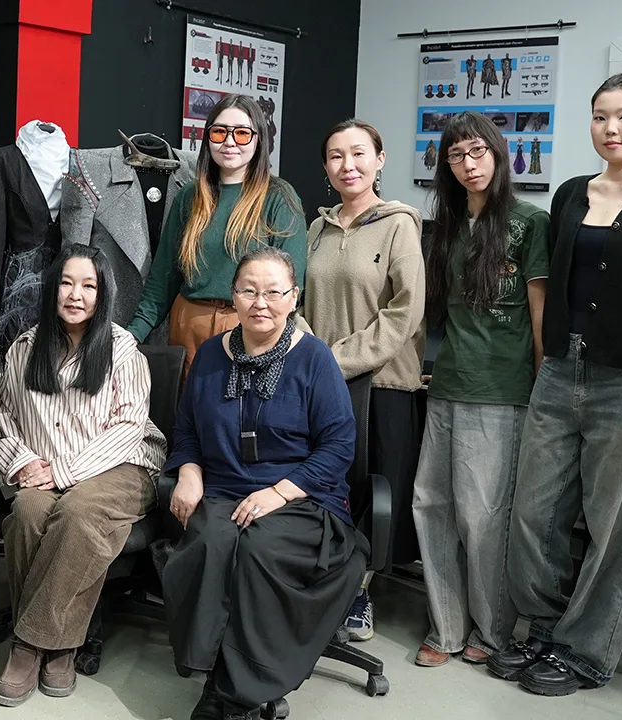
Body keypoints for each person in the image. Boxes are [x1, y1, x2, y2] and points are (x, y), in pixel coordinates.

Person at [490, 73, 622, 696]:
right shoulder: (570, 194)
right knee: (534, 514)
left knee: (613, 526)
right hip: (560, 372)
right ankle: (545, 630)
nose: (611, 128)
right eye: (600, 116)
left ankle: (585, 652)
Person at [164, 247, 364, 720]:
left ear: (293, 298)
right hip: (225, 490)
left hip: (303, 496)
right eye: (249, 291)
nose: (261, 303)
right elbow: (187, 429)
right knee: (211, 540)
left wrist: (278, 492)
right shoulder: (210, 354)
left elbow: (338, 447)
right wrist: (189, 471)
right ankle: (213, 669)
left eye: (274, 292)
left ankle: (236, 692)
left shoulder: (314, 358)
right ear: (233, 296)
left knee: (258, 548)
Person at [0, 245, 167, 707]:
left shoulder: (122, 349)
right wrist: (23, 463)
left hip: (122, 466)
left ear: (103, 294)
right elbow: (2, 419)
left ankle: (31, 644)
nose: (76, 295)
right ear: (52, 288)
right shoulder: (23, 348)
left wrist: (63, 471)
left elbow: (128, 428)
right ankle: (59, 644)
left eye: (89, 286)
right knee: (27, 510)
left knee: (78, 510)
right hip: (41, 467)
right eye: (67, 283)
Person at [411, 110, 549, 668]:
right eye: (456, 155)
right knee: (431, 505)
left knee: (483, 513)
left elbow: (540, 316)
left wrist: (541, 386)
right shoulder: (446, 226)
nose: (468, 165)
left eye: (477, 152)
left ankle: (491, 633)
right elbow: (440, 315)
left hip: (501, 388)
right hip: (448, 382)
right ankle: (445, 626)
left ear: (497, 154)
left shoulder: (529, 222)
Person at [303, 119, 424, 644]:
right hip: (319, 382)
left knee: (369, 494)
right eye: (336, 156)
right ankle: (321, 583)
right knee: (323, 487)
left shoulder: (400, 225)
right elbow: (294, 300)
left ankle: (358, 593)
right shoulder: (316, 229)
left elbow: (405, 312)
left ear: (380, 160)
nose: (347, 166)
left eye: (358, 154)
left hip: (380, 385)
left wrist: (336, 360)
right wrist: (313, 356)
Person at [127, 93, 306, 375]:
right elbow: (162, 280)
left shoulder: (279, 197)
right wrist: (131, 336)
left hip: (250, 326)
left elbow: (291, 284)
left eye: (242, 134)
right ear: (208, 138)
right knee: (186, 402)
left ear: (259, 139)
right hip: (188, 325)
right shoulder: (189, 197)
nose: (229, 142)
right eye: (220, 132)